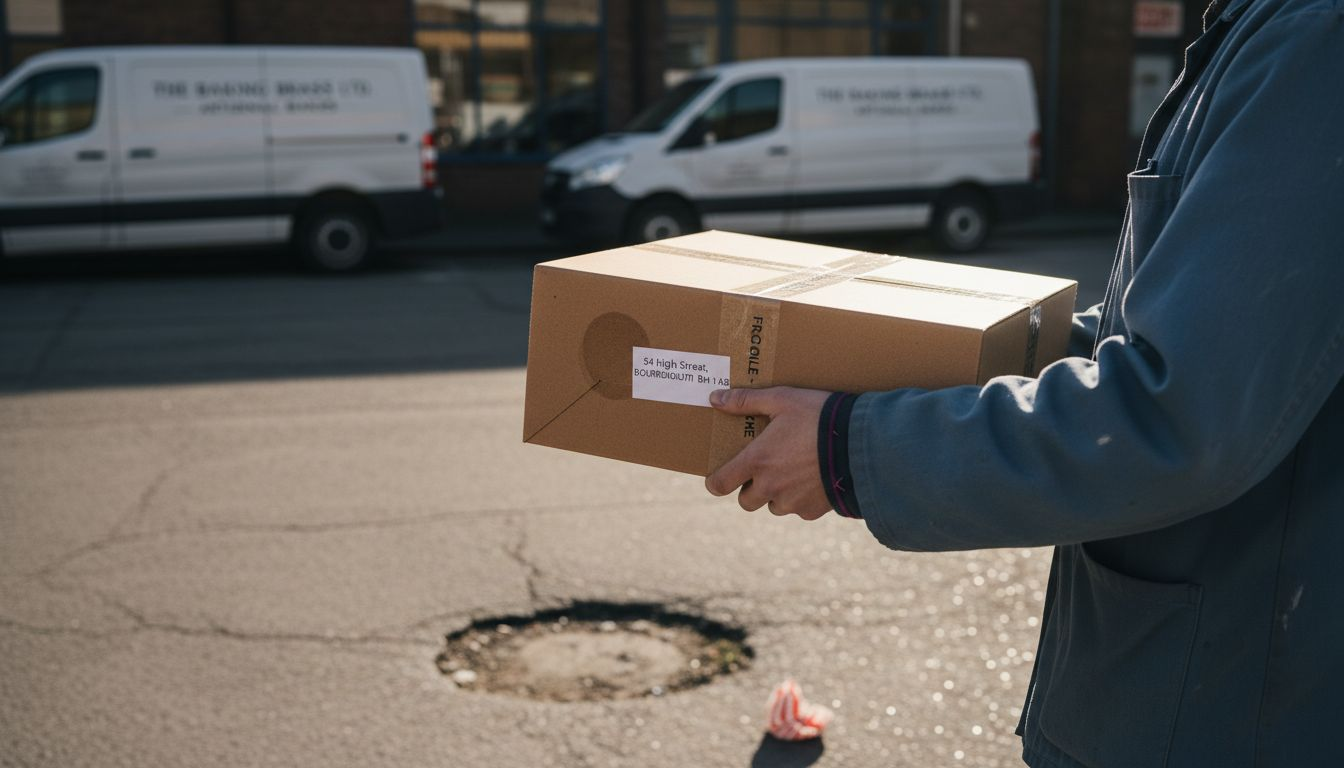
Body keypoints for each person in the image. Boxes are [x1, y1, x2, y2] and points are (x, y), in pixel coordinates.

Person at [703, 1, 1344, 765]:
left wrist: (851, 450)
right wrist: (896, 361)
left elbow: (1179, 414)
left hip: (1226, 710)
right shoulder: (1267, 28)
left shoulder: (1315, 41)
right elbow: (1163, 331)